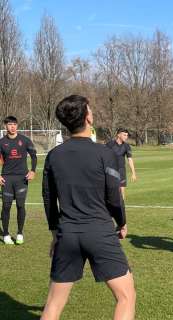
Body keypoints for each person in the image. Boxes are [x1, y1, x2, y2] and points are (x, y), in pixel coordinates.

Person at [42, 95, 135, 319]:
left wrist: (56, 234)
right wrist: (121, 222)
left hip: (67, 234)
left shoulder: (54, 156)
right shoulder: (105, 153)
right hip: (99, 232)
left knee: (53, 304)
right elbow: (114, 197)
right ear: (88, 117)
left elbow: (48, 198)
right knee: (126, 296)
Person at [0, 116, 37, 245]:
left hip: (21, 178)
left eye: (14, 124)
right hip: (7, 178)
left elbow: (33, 156)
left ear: (17, 126)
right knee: (6, 206)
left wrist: (32, 170)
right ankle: (5, 234)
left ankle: (20, 233)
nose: (12, 127)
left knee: (21, 205)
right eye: (10, 124)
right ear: (5, 126)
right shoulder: (1, 142)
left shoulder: (25, 140)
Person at [106, 128, 137, 199]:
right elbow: (103, 156)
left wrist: (133, 173)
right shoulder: (110, 144)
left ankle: (121, 208)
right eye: (124, 135)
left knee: (122, 191)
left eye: (127, 135)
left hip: (121, 170)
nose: (126, 137)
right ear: (118, 135)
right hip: (111, 170)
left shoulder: (127, 146)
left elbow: (130, 159)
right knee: (112, 190)